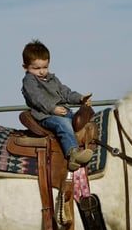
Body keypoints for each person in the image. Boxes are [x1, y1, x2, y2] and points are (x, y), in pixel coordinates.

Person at [21, 39, 93, 171]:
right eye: (36, 68)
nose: (42, 71)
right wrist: (52, 109)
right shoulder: (29, 81)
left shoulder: (52, 79)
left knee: (85, 119)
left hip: (64, 112)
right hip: (45, 115)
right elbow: (37, 99)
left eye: (45, 67)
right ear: (25, 67)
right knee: (63, 124)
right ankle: (73, 154)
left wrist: (80, 98)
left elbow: (65, 93)